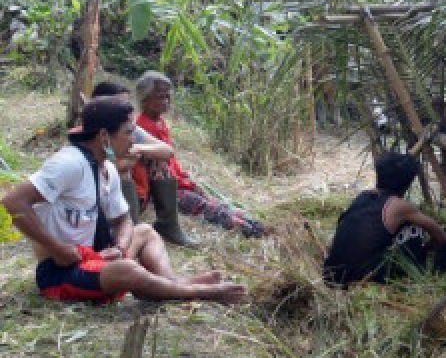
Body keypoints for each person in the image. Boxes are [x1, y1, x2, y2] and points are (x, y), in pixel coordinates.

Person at [2, 96, 247, 305]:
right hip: (62, 270)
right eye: (129, 133)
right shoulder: (69, 163)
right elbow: (14, 202)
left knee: (145, 232)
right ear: (104, 137)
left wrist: (119, 247)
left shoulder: (107, 168)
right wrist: (56, 248)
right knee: (127, 271)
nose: (134, 141)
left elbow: (123, 219)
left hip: (98, 258)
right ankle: (195, 291)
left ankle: (171, 283)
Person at [131, 70, 267, 242]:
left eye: (168, 96)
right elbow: (158, 170)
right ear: (145, 98)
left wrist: (187, 181)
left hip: (175, 183)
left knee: (215, 202)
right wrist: (182, 184)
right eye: (160, 97)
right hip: (158, 190)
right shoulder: (141, 127)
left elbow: (173, 164)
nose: (166, 101)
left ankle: (252, 225)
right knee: (205, 207)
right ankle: (247, 228)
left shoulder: (159, 122)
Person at [325, 151, 446, 287]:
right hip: (359, 279)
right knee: (414, 229)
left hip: (332, 273)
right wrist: (427, 249)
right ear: (408, 182)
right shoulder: (399, 206)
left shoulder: (363, 196)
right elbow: (441, 236)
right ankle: (412, 271)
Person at [90, 80, 174, 224]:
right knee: (122, 171)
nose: (127, 110)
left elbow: (167, 151)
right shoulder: (90, 131)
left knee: (160, 160)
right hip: (97, 197)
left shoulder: (127, 127)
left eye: (128, 105)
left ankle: (168, 225)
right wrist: (123, 165)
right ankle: (130, 227)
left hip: (132, 194)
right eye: (121, 104)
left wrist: (139, 148)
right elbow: (93, 169)